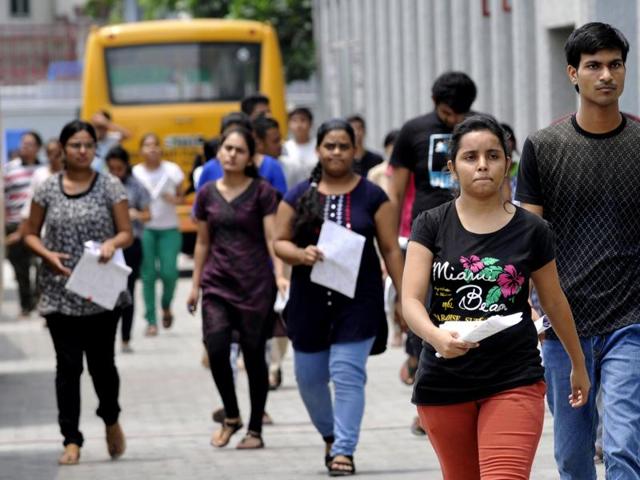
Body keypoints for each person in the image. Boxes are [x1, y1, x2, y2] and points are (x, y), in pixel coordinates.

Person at [403, 114, 589, 479]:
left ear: (508, 163)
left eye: (493, 155)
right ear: (452, 168)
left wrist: (577, 364)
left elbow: (553, 300)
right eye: (470, 157)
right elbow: (410, 299)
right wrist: (436, 335)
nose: (483, 165)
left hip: (513, 378)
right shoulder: (431, 223)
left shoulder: (532, 230)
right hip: (443, 381)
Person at [516, 22, 640, 479]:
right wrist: (529, 307)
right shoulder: (544, 148)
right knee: (572, 456)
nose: (606, 75)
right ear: (573, 73)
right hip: (563, 319)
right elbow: (527, 236)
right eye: (594, 66)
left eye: (615, 64)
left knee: (625, 447)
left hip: (633, 319)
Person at [273, 119, 404, 475]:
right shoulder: (299, 194)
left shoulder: (373, 197)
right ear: (318, 150)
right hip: (308, 301)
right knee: (309, 378)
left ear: (354, 150)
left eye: (343, 146)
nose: (336, 152)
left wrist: (405, 297)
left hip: (358, 300)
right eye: (329, 145)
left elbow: (391, 249)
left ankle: (345, 449)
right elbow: (279, 241)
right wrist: (299, 255)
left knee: (347, 374)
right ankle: (330, 436)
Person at [23, 120, 132, 465]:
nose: (83, 151)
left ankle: (111, 418)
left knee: (103, 366)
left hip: (101, 291)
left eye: (88, 145)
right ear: (63, 149)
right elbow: (29, 233)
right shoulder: (47, 189)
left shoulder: (110, 186)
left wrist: (112, 244)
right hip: (60, 291)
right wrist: (47, 256)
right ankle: (71, 438)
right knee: (67, 367)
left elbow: (126, 231)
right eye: (76, 145)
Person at [388, 72, 478, 430]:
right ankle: (426, 396)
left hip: (472, 234)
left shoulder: (479, 128)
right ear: (433, 102)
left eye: (461, 114)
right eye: (446, 113)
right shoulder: (412, 131)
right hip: (425, 236)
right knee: (424, 310)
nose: (455, 121)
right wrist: (392, 240)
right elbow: (395, 192)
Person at [187, 127, 286, 449]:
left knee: (254, 356)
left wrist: (280, 274)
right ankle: (231, 415)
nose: (231, 154)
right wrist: (194, 284)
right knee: (216, 348)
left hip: (255, 284)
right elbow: (202, 241)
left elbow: (273, 239)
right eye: (227, 148)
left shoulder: (262, 192)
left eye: (238, 150)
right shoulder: (205, 194)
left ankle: (255, 428)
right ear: (218, 152)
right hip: (216, 282)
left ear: (249, 157)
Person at [132, 133, 184, 336]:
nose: (152, 149)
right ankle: (151, 320)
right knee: (148, 275)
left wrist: (175, 199)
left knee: (169, 273)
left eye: (156, 145)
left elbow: (182, 195)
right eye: (147, 145)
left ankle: (166, 305)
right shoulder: (135, 173)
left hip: (169, 228)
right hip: (145, 230)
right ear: (141, 150)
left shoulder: (172, 170)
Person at [106, 146, 151, 353]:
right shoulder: (101, 185)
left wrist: (135, 214)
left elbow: (148, 215)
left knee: (128, 291)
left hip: (132, 245)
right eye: (112, 168)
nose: (116, 172)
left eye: (120, 168)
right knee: (106, 292)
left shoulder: (136, 186)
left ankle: (125, 337)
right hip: (107, 246)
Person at [197, 114, 287, 195]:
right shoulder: (209, 169)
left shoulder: (270, 168)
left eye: (239, 150)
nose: (233, 154)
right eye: (228, 148)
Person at [4, 130, 42, 316]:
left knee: (41, 265)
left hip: (37, 226)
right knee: (20, 269)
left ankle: (38, 299)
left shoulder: (43, 170)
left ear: (38, 148)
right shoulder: (9, 169)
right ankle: (26, 304)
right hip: (14, 225)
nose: (25, 147)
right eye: (23, 144)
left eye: (29, 144)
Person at [281, 106, 318, 188]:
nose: (299, 125)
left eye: (303, 120)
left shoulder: (319, 145)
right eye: (294, 121)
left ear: (310, 124)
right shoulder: (284, 148)